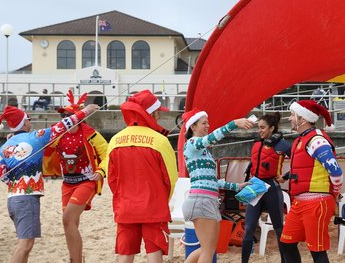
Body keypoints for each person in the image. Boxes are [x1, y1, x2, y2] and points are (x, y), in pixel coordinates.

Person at [0, 103, 99, 263]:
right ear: (24, 123)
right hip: (27, 199)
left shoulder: (5, 146)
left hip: (12, 199)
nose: (30, 121)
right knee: (25, 245)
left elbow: (1, 175)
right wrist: (85, 111)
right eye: (28, 119)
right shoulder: (35, 137)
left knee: (24, 243)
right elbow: (63, 126)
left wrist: (17, 182)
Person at [107, 90, 177, 263]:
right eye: (158, 111)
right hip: (154, 206)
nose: (159, 115)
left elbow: (112, 178)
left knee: (125, 253)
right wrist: (163, 200)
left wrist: (122, 196)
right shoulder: (160, 141)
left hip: (126, 206)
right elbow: (171, 179)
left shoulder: (115, 140)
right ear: (151, 113)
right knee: (154, 251)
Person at [42, 90, 109, 263]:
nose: (65, 119)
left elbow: (108, 153)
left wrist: (101, 171)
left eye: (68, 115)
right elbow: (41, 148)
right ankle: (77, 257)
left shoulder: (89, 132)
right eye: (63, 115)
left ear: (78, 117)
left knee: (67, 220)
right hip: (67, 183)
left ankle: (76, 260)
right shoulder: (57, 135)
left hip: (87, 181)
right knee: (71, 225)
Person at [181, 108, 254, 263]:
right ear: (192, 127)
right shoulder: (192, 143)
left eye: (208, 122)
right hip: (201, 200)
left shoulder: (202, 151)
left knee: (207, 249)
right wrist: (234, 124)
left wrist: (237, 186)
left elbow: (212, 181)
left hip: (203, 199)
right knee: (208, 250)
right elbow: (211, 138)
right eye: (203, 123)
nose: (208, 125)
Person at [279, 100, 343, 263]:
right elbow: (303, 168)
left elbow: (335, 171)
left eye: (293, 115)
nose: (290, 118)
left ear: (303, 119)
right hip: (300, 203)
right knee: (287, 243)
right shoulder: (302, 139)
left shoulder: (317, 140)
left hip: (317, 202)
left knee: (317, 250)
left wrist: (334, 194)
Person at [241, 113, 291, 263]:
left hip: (272, 189)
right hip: (256, 187)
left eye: (262, 128)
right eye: (258, 127)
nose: (260, 130)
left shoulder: (282, 144)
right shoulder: (257, 143)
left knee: (279, 229)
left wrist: (285, 177)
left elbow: (299, 162)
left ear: (272, 128)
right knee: (249, 228)